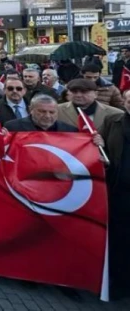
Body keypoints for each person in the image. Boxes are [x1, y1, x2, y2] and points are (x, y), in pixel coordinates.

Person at [99, 89, 130, 300]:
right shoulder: (113, 121)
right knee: (119, 241)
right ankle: (118, 284)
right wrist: (98, 144)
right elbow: (101, 147)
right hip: (119, 192)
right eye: (129, 100)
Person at [57, 79, 123, 134]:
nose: (78, 95)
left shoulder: (116, 114)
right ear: (68, 94)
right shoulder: (56, 110)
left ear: (96, 94)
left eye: (84, 92)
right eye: (74, 92)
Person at [5, 94, 91, 133]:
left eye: (52, 112)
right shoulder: (12, 128)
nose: (47, 116)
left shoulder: (70, 131)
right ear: (31, 109)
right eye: (42, 111)